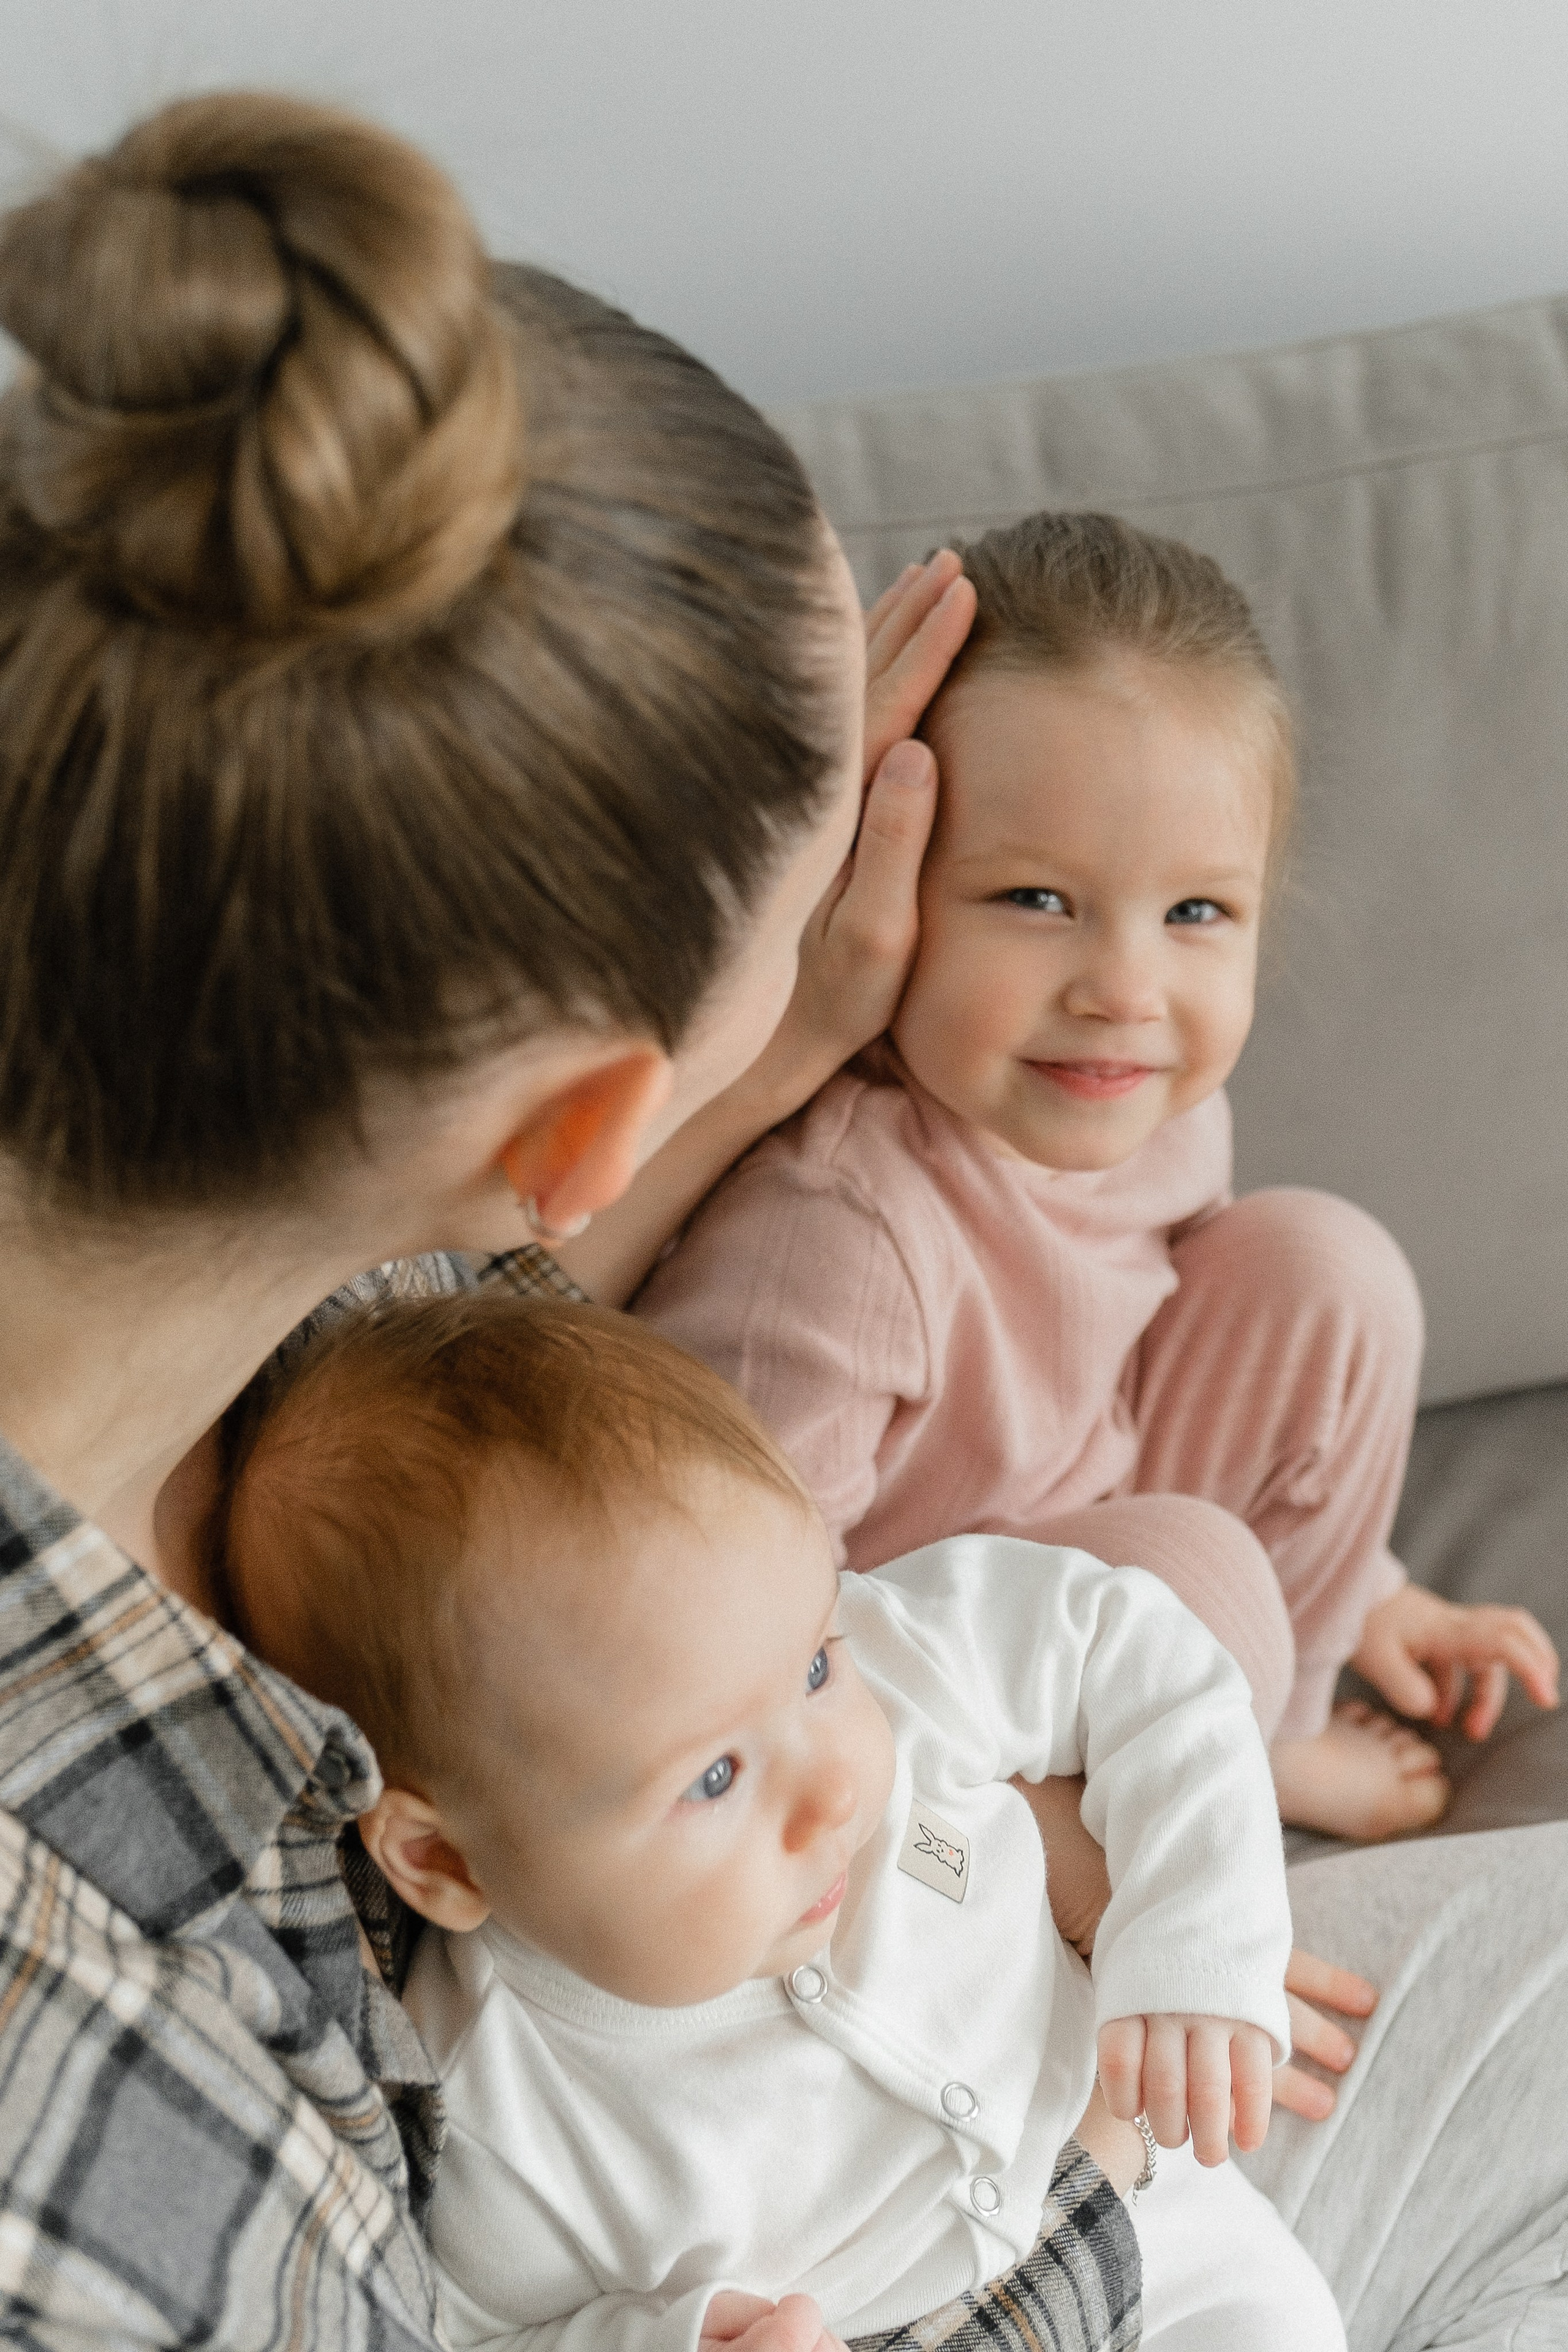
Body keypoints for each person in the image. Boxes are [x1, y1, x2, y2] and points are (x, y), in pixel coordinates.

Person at [0, 85, 1559, 2352]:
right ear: (597, 1122)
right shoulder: (110, 2087)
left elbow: (529, 1347)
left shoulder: (288, 1215)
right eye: (871, 853)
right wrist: (1063, 2045)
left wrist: (812, 1001)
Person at [633, 511, 1559, 1843]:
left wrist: (1369, 1597)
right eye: (1034, 900)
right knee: (1192, 1569)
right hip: (894, 1678)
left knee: (1323, 1266)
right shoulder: (843, 1228)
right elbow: (723, 1627)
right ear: (881, 892)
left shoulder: (1156, 1120)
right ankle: (1172, 1808)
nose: (1124, 992)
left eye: (1194, 914)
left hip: (1080, 1547)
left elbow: (1152, 1383)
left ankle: (1267, 1730)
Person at [219, 1289, 1343, 2352]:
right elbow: (474, 2333)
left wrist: (1195, 1939)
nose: (834, 1791)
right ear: (444, 1859)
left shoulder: (892, 1659)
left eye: (814, 1666)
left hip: (1165, 2200)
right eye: (713, 1780)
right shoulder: (502, 2114)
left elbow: (1139, 1654)